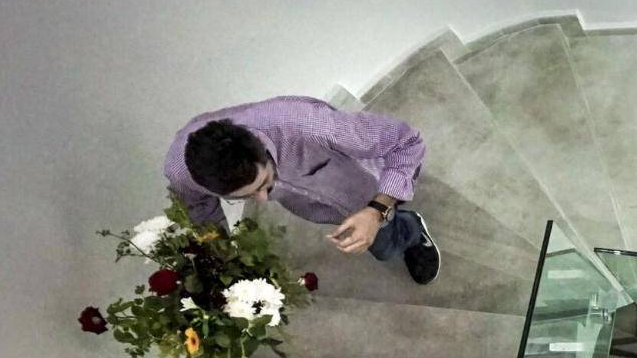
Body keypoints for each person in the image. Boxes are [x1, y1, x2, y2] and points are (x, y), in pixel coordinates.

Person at [164, 95, 440, 284]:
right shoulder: (182, 173)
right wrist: (224, 260)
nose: (263, 200)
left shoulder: (311, 126)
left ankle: (412, 230)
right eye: (244, 197)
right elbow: (201, 211)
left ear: (260, 144)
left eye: (265, 183)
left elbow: (408, 142)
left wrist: (376, 210)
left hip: (366, 178)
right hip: (320, 206)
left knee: (384, 244)